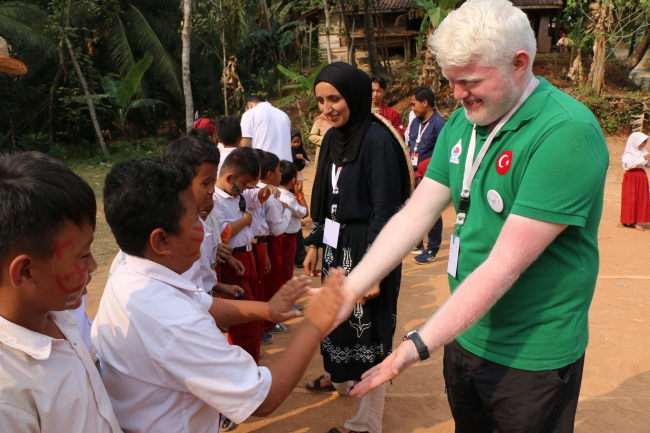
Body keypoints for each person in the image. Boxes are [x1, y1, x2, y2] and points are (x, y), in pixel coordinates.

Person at [339, 2, 609, 432]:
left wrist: (415, 346)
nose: (456, 94)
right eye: (450, 81)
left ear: (520, 62)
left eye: (469, 81)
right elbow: (415, 215)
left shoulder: (565, 133)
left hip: (531, 352)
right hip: (463, 331)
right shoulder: (466, 122)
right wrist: (347, 290)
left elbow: (504, 265)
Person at [93, 157, 345, 433]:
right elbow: (264, 398)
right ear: (161, 240)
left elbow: (203, 303)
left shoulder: (129, 272)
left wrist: (267, 310)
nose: (205, 232)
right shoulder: (174, 321)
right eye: (196, 221)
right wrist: (315, 325)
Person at [303, 62, 412, 433]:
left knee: (370, 339)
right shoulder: (335, 137)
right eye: (320, 100)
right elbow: (327, 197)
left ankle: (368, 424)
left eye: (334, 98)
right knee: (339, 329)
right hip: (338, 250)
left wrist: (374, 271)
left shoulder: (377, 141)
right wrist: (319, 242)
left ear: (355, 95)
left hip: (369, 249)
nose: (326, 108)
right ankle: (339, 379)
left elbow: (386, 210)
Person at [0, 152, 122, 432]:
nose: (93, 265)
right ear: (25, 273)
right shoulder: (8, 398)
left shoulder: (59, 315)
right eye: (83, 255)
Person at [407, 86, 447, 265]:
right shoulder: (415, 122)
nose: (412, 109)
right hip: (413, 174)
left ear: (425, 103)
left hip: (430, 176)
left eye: (414, 104)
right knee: (414, 209)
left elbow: (443, 153)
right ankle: (417, 243)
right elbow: (410, 146)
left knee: (433, 212)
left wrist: (431, 175)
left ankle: (432, 248)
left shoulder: (440, 124)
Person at [257, 150, 293, 335]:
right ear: (270, 174)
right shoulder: (271, 198)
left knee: (269, 283)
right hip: (271, 244)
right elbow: (276, 229)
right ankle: (269, 324)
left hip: (266, 243)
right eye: (279, 170)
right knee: (272, 283)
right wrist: (287, 211)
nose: (281, 174)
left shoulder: (260, 190)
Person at [279, 161, 308, 286]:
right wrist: (300, 194)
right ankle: (287, 302)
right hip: (287, 238)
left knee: (281, 268)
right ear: (293, 180)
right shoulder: (289, 199)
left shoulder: (276, 194)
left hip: (281, 237)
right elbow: (305, 213)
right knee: (286, 268)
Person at [240, 95, 292, 161]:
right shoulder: (284, 115)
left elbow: (245, 147)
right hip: (287, 165)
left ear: (249, 105)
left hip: (265, 164)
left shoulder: (249, 114)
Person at [620, 131, 650, 230]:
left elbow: (647, 165)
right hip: (631, 177)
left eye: (645, 142)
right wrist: (642, 159)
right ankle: (626, 220)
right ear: (635, 142)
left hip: (641, 177)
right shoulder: (628, 153)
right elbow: (629, 165)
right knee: (629, 198)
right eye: (642, 142)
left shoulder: (644, 152)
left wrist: (647, 160)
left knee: (639, 198)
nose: (643, 144)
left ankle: (635, 221)